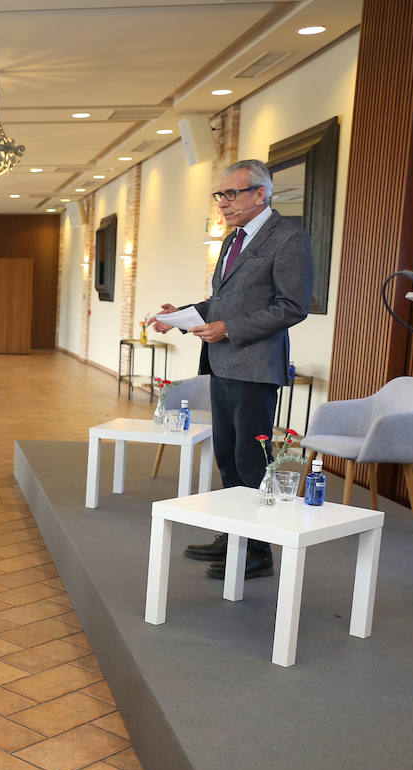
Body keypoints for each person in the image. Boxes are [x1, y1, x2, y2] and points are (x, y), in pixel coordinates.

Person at [149, 158, 311, 581]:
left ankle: (258, 551)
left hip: (255, 367)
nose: (223, 202)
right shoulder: (231, 239)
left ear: (261, 194)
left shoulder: (288, 237)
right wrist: (182, 315)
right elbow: (219, 303)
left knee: (251, 460)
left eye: (232, 193)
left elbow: (293, 307)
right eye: (220, 194)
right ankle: (233, 535)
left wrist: (230, 329)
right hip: (221, 363)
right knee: (227, 457)